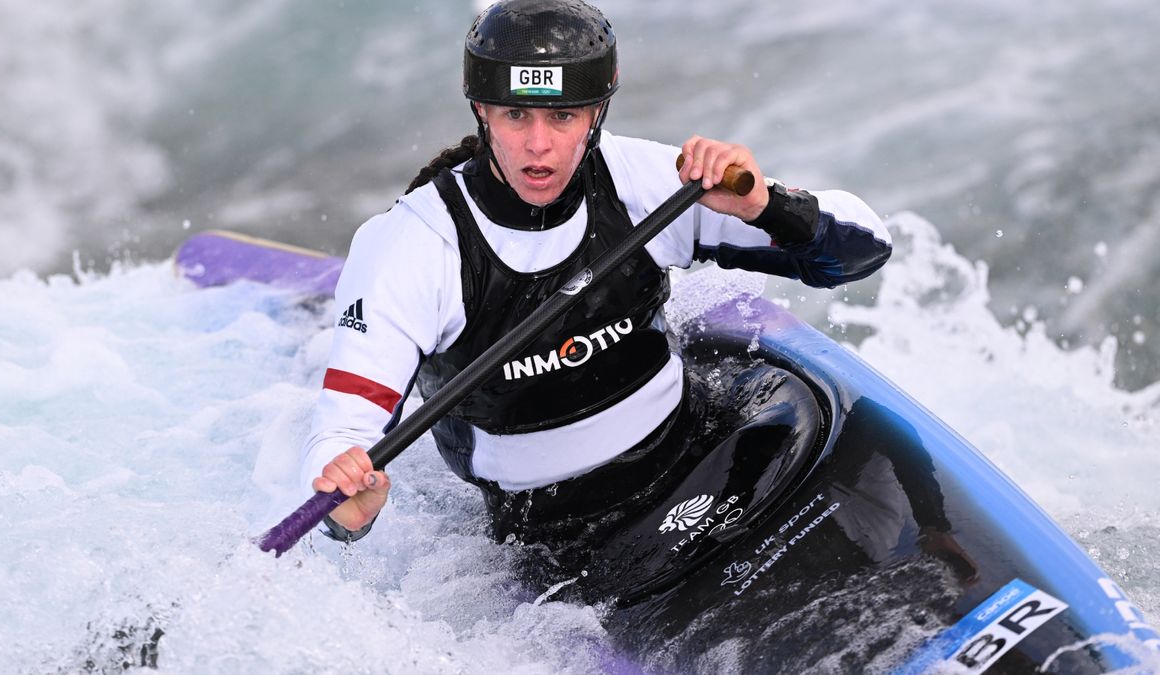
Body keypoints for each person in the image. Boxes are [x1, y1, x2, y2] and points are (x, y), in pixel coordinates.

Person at [299, 0, 892, 547]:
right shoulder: (413, 246)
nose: (539, 147)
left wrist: (768, 207)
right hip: (553, 526)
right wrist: (346, 511)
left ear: (596, 111)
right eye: (514, 114)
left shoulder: (643, 181)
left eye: (562, 116)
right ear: (481, 109)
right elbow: (341, 435)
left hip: (703, 447)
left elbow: (864, 250)